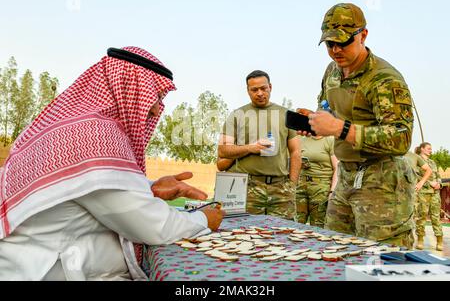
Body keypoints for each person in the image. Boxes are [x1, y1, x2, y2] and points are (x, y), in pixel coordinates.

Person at [0, 47, 225, 281]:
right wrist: (204, 219)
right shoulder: (93, 136)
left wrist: (149, 188)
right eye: (155, 96)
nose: (158, 108)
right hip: (44, 270)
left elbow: (88, 189)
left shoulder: (75, 128)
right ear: (129, 87)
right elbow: (151, 226)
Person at [298, 3, 415, 248]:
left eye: (344, 42)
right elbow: (327, 108)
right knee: (334, 250)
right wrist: (315, 121)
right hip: (347, 176)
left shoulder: (384, 79)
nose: (336, 50)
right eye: (330, 44)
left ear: (363, 35)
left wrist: (340, 128)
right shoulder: (332, 71)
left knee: (382, 259)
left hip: (382, 181)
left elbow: (401, 138)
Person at [218, 70, 300, 221]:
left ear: (270, 87)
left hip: (281, 189)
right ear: (247, 91)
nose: (260, 93)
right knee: (245, 234)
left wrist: (292, 184)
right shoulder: (237, 115)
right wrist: (250, 148)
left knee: (284, 236)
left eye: (264, 88)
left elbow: (295, 152)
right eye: (254, 90)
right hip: (248, 188)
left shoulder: (287, 115)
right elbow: (223, 150)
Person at [296, 136, 338, 228]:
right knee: (296, 222)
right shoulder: (301, 139)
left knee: (318, 224)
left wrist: (332, 191)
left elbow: (337, 168)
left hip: (321, 187)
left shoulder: (330, 140)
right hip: (301, 185)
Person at [414, 142, 444, 251]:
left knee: (436, 217)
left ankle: (439, 241)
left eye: (431, 149)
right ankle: (420, 240)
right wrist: (429, 183)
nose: (430, 150)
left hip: (435, 194)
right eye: (428, 148)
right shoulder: (417, 161)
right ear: (422, 149)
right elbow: (416, 176)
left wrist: (439, 184)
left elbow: (438, 176)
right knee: (421, 217)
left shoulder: (432, 162)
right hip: (423, 193)